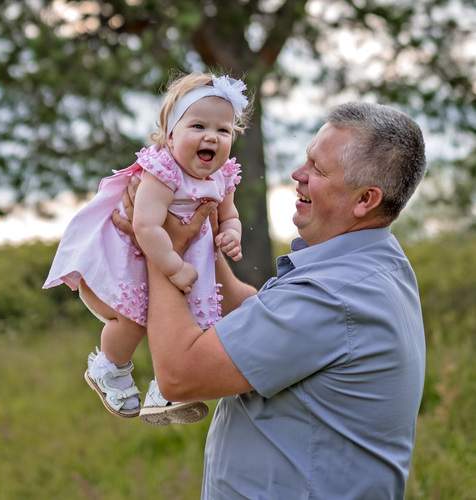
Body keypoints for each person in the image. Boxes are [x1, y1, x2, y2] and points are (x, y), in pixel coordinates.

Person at [114, 101, 427, 498]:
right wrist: (196, 238)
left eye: (318, 170)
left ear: (365, 199)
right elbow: (259, 317)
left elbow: (179, 375)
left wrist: (159, 248)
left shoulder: (334, 295)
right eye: (307, 159)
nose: (298, 174)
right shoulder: (371, 263)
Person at [43, 72, 250, 425]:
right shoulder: (163, 171)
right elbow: (146, 226)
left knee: (185, 322)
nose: (211, 137)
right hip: (130, 255)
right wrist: (173, 266)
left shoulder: (223, 176)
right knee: (133, 319)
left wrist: (231, 233)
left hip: (179, 253)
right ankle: (109, 367)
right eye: (198, 126)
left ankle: (165, 388)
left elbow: (229, 215)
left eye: (223, 130)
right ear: (170, 135)